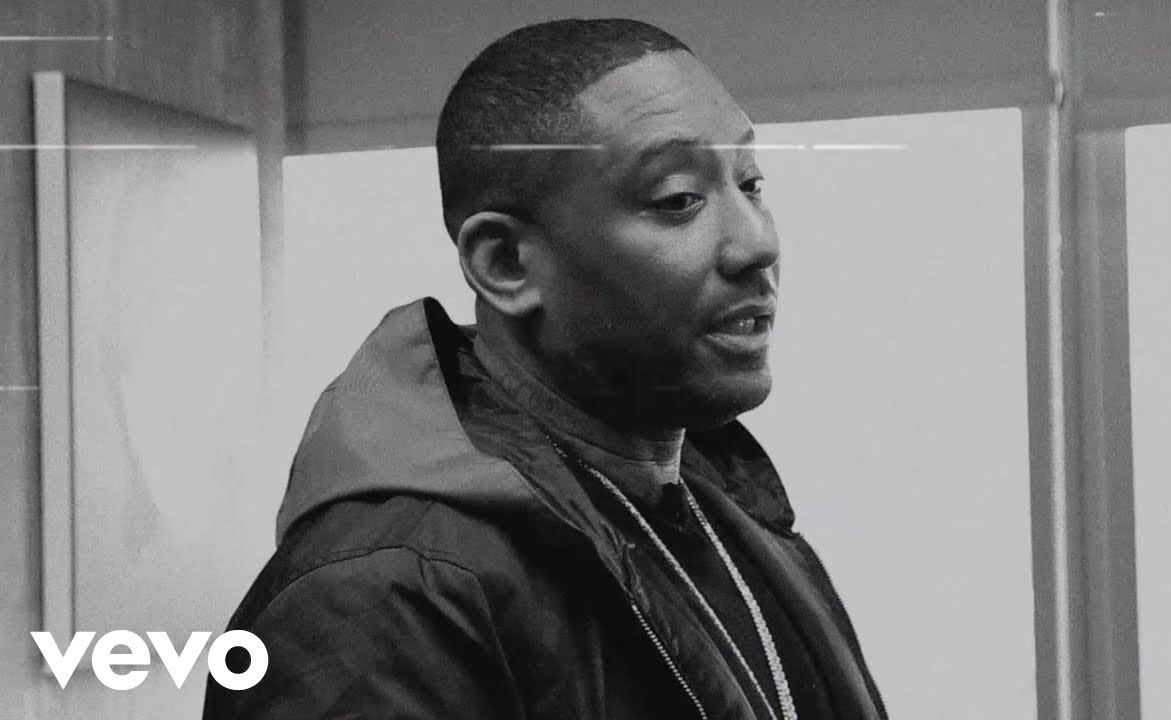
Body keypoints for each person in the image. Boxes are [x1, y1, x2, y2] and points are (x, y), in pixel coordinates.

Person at [203, 18, 887, 720]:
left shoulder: (729, 518)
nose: (756, 243)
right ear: (506, 264)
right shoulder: (384, 594)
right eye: (679, 199)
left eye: (750, 182)